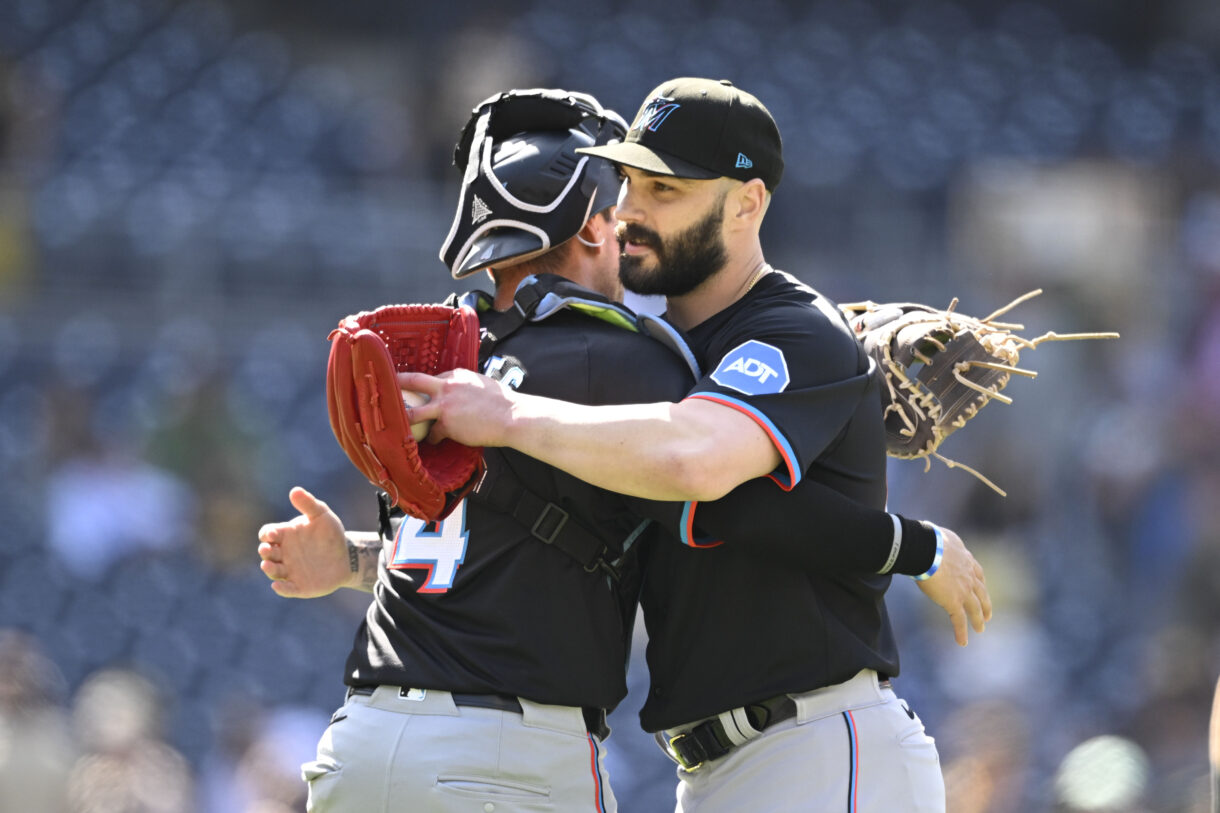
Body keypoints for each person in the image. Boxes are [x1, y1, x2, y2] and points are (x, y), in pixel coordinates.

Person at [260, 87, 988, 813]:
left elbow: (704, 478)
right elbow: (531, 536)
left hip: (818, 745)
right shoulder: (640, 362)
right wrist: (359, 560)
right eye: (630, 185)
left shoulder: (782, 334)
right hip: (711, 768)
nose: (632, 210)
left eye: (664, 189)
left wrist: (916, 545)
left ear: (747, 203)